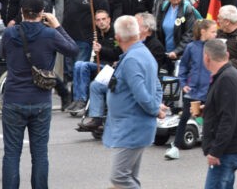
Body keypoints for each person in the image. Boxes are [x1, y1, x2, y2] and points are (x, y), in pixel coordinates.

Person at [0, 0, 77, 189]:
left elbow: (2, 54)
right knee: (40, 153)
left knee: (11, 154)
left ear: (22, 12)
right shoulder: (49, 34)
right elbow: (73, 50)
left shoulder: (10, 33)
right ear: (42, 13)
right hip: (41, 99)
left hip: (14, 97)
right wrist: (57, 25)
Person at [103, 15, 164, 189]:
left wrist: (155, 109)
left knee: (120, 178)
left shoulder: (132, 59)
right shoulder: (144, 53)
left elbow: (142, 95)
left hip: (131, 128)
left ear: (117, 38)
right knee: (129, 177)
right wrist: (157, 105)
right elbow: (157, 86)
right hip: (133, 126)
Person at [164, 19, 217, 160]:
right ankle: (175, 147)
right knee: (185, 117)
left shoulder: (215, 48)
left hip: (209, 90)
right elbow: (184, 67)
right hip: (192, 90)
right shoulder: (191, 47)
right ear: (203, 32)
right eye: (213, 32)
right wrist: (183, 83)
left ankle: (213, 147)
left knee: (210, 118)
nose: (215, 34)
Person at [201, 38, 237, 189]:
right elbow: (226, 110)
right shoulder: (228, 75)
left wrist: (215, 151)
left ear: (207, 57)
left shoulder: (227, 78)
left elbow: (228, 119)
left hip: (226, 151)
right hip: (228, 149)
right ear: (227, 54)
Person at [65, 10, 120, 114]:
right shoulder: (96, 34)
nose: (101, 22)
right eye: (98, 20)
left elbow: (117, 53)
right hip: (98, 63)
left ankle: (83, 99)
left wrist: (101, 49)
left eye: (103, 19)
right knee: (78, 64)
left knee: (84, 65)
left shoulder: (116, 33)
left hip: (110, 66)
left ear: (109, 20)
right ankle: (77, 99)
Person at [155, 0, 200, 73]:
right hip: (165, 54)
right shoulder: (164, 7)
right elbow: (158, 28)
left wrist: (177, 51)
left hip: (181, 55)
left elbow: (189, 34)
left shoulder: (187, 9)